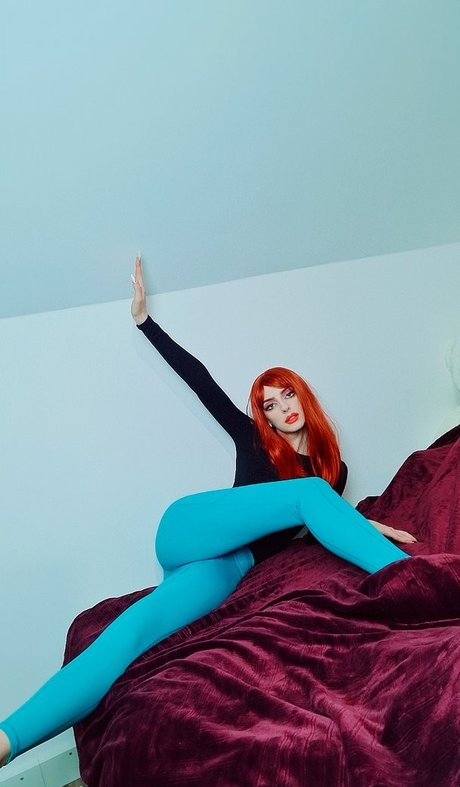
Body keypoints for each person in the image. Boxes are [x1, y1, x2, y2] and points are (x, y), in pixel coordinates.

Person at [0, 256, 416, 768]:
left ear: (303, 396)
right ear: (262, 416)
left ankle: (6, 741)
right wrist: (144, 322)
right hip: (192, 528)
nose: (282, 408)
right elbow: (202, 382)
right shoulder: (257, 441)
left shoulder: (333, 475)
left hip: (226, 568)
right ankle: (416, 581)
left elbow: (318, 523)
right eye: (269, 404)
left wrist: (366, 523)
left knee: (130, 633)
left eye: (287, 394)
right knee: (307, 492)